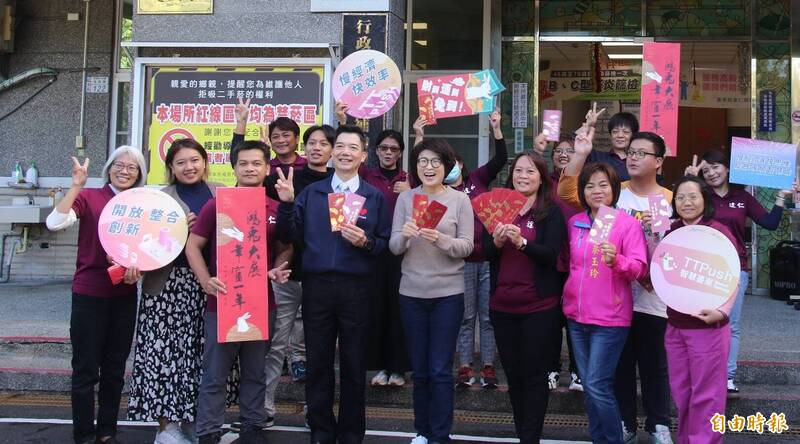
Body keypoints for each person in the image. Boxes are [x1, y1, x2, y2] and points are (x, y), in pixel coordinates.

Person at [276, 125, 391, 444]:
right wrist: (286, 203)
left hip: (357, 289)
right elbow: (289, 235)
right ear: (330, 152)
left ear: (363, 155)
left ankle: (352, 433)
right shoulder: (312, 193)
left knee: (355, 363)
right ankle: (321, 429)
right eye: (339, 146)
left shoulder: (374, 196)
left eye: (353, 147)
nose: (344, 152)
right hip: (317, 287)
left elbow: (385, 244)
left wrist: (365, 242)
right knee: (319, 361)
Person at [560, 128, 674, 443]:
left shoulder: (662, 200)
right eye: (631, 152)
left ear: (659, 162)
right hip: (601, 301)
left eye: (642, 153)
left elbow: (659, 252)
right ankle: (622, 425)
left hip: (648, 297)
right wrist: (580, 153)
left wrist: (650, 237)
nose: (633, 157)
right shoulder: (613, 190)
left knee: (653, 364)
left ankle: (658, 424)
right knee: (613, 373)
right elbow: (570, 191)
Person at [185, 140, 291, 444]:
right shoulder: (217, 203)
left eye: (256, 163)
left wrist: (276, 268)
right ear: (234, 167)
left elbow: (286, 248)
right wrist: (206, 280)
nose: (249, 168)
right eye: (243, 163)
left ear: (267, 168)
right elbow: (193, 245)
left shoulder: (274, 207)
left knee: (256, 371)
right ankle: (208, 431)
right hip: (221, 304)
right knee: (215, 374)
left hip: (260, 303)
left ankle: (252, 427)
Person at [46, 146, 147, 444]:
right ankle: (84, 434)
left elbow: (153, 245)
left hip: (124, 294)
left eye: (133, 167)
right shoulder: (90, 197)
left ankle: (106, 431)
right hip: (89, 295)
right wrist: (76, 185)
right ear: (109, 168)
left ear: (140, 174)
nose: (125, 171)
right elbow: (54, 223)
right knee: (86, 368)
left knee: (115, 370)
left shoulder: (142, 205)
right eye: (120, 165)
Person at [127, 139, 217, 444]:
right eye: (181, 163)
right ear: (170, 168)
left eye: (194, 160)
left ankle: (195, 422)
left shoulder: (220, 193)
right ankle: (166, 426)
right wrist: (176, 232)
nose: (189, 167)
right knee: (164, 356)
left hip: (208, 285)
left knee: (199, 356)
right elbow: (144, 246)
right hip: (166, 288)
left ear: (205, 162)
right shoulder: (159, 200)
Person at [686, 149, 797, 394]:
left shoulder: (742, 197)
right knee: (700, 322)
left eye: (716, 167)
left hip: (736, 268)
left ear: (727, 168)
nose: (711, 173)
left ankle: (728, 376)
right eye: (706, 170)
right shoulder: (700, 195)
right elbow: (679, 216)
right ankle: (702, 374)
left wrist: (780, 198)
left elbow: (769, 223)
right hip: (703, 267)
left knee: (730, 324)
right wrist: (690, 182)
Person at [390, 139, 474, 444]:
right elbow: (393, 245)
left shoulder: (460, 201)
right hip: (411, 293)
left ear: (447, 166)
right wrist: (406, 236)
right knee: (421, 369)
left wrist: (440, 239)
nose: (428, 167)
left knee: (439, 368)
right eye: (423, 162)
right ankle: (422, 431)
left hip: (448, 294)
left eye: (435, 162)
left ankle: (440, 434)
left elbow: (466, 246)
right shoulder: (406, 199)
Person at [417, 110, 506, 389]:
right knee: (466, 318)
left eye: (455, 162)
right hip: (460, 262)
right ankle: (465, 367)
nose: (452, 167)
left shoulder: (477, 181)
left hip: (488, 260)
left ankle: (489, 367)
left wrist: (496, 128)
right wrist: (420, 137)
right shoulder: (437, 192)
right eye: (447, 163)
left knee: (488, 317)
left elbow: (501, 160)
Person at [483, 152, 566, 443]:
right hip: (502, 306)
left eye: (530, 171)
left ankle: (531, 437)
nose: (523, 176)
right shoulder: (499, 208)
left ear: (541, 177)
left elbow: (551, 255)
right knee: (514, 377)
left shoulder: (551, 212)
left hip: (539, 307)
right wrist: (495, 241)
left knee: (534, 376)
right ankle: (523, 434)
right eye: (518, 170)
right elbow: (483, 252)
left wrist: (521, 243)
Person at [660, 175, 739, 444]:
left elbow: (732, 276)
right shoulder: (670, 232)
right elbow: (656, 271)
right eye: (680, 197)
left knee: (707, 396)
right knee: (682, 394)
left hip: (709, 329)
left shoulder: (718, 232)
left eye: (693, 196)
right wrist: (651, 235)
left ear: (705, 200)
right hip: (675, 326)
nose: (686, 202)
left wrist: (724, 312)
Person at [535, 134, 582, 392]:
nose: (563, 154)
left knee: (576, 317)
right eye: (559, 151)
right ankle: (551, 368)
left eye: (569, 151)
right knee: (551, 318)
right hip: (551, 259)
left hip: (578, 259)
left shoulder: (582, 182)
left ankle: (578, 372)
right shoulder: (545, 183)